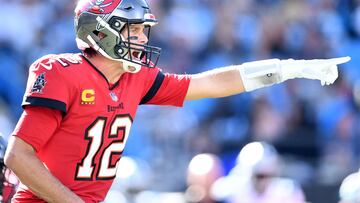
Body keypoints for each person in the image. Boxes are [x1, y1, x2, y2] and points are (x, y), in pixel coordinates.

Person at [3, 0, 350, 202]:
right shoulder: (62, 72)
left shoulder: (134, 79)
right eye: (132, 29)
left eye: (143, 30)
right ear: (98, 31)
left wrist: (282, 69)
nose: (141, 38)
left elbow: (208, 83)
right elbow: (18, 154)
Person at [211, 142, 305, 203]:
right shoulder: (235, 189)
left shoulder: (286, 191)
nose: (262, 180)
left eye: (267, 176)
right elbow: (216, 191)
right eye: (259, 176)